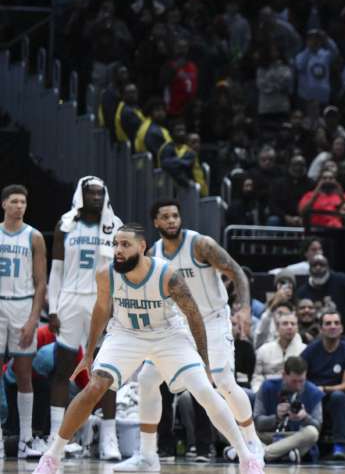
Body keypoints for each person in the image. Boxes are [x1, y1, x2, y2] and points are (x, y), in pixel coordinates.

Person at [31, 224, 263, 474]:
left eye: (125, 244)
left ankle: (246, 456)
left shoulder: (167, 275)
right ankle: (52, 456)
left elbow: (194, 316)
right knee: (95, 386)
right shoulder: (106, 273)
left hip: (168, 334)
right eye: (115, 244)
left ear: (142, 247)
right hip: (125, 333)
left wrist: (205, 361)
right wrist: (88, 354)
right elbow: (100, 310)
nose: (118, 250)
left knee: (204, 389)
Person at [117, 200, 261, 471]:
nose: (172, 220)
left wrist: (243, 307)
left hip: (214, 321)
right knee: (147, 379)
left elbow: (237, 273)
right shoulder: (154, 255)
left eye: (175, 215)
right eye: (165, 217)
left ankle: (252, 443)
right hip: (179, 327)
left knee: (223, 383)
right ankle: (148, 455)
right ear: (156, 223)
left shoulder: (200, 245)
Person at [48, 176, 123, 460]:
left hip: (101, 300)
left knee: (106, 373)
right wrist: (53, 308)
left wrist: (118, 304)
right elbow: (55, 270)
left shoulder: (115, 225)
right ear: (80, 195)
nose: (95, 197)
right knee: (63, 368)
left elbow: (123, 271)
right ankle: (58, 435)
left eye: (100, 193)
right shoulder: (65, 224)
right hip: (69, 298)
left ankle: (108, 438)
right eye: (90, 193)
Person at [0, 185, 48, 458]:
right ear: (4, 204)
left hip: (22, 305)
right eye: (14, 201)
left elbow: (41, 283)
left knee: (23, 374)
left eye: (23, 202)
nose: (19, 206)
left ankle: (26, 438)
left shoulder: (35, 237)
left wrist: (33, 319)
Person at [300, 311, 345, 460]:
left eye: (336, 323)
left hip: (334, 395)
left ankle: (339, 446)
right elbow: (300, 378)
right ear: (321, 329)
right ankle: (307, 445)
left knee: (339, 397)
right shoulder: (310, 350)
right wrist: (314, 391)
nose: (332, 327)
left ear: (342, 328)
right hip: (313, 394)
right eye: (328, 323)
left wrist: (324, 389)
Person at [253, 355, 322, 462]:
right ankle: (286, 454)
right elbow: (257, 423)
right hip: (269, 435)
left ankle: (260, 453)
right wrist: (276, 417)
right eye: (294, 381)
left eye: (301, 381)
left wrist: (305, 417)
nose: (298, 386)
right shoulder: (267, 387)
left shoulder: (314, 392)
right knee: (243, 429)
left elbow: (318, 426)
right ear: (284, 375)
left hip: (295, 437)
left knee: (312, 433)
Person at [295, 255, 345, 332]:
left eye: (321, 265)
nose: (318, 268)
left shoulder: (343, 281)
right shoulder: (302, 292)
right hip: (314, 336)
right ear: (309, 269)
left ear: (328, 267)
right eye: (314, 265)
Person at [253, 311, 304, 390]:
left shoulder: (304, 350)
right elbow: (257, 376)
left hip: (295, 390)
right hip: (268, 390)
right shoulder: (264, 350)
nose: (289, 327)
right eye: (285, 323)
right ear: (277, 328)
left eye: (293, 324)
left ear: (297, 328)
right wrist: (258, 391)